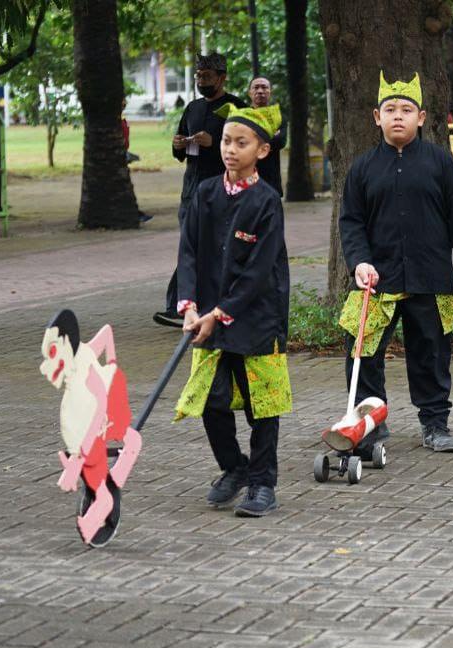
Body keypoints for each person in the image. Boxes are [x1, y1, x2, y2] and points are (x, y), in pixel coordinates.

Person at [338, 72, 453, 454]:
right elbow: (351, 221)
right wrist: (359, 262)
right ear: (376, 117)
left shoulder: (440, 162)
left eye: (406, 110)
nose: (398, 116)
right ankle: (370, 424)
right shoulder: (362, 168)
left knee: (431, 353)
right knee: (362, 350)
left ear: (421, 118)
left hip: (430, 276)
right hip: (377, 279)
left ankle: (435, 424)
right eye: (390, 110)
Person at [172, 102, 291, 518]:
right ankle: (234, 468)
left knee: (263, 405)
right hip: (206, 318)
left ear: (262, 150)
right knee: (211, 399)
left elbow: (258, 272)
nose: (230, 149)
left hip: (257, 318)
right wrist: (189, 306)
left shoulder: (267, 202)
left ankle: (262, 483)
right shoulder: (204, 194)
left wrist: (219, 311)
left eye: (241, 143)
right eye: (226, 140)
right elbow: (187, 253)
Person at [155, 53, 246, 328]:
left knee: (213, 247)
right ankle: (179, 306)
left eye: (207, 76)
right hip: (191, 189)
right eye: (198, 76)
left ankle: (209, 305)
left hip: (221, 189)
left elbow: (244, 148)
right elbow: (179, 153)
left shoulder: (235, 108)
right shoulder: (193, 109)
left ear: (222, 77)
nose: (201, 81)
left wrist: (215, 141)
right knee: (191, 246)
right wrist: (178, 144)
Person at [247, 76, 287, 198]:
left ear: (270, 92)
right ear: (250, 92)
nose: (260, 91)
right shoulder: (241, 116)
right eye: (256, 87)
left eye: (264, 87)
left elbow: (280, 142)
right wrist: (269, 135)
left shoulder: (278, 117)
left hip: (271, 181)